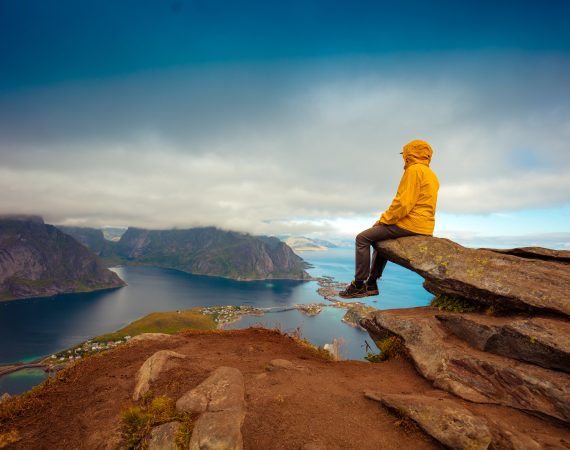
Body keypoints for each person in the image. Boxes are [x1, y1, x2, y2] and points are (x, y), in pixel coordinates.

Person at [339, 139, 439, 298]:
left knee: (362, 238)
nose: (403, 158)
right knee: (380, 239)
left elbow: (403, 203)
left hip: (411, 223)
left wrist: (383, 220)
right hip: (425, 226)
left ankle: (359, 284)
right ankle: (371, 283)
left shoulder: (414, 171)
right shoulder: (432, 175)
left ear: (409, 154)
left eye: (404, 154)